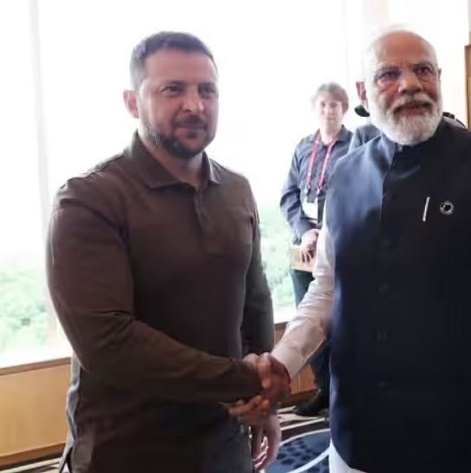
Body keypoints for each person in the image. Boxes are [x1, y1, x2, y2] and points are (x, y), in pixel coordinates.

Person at [233, 28, 471, 473]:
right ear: (363, 92)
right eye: (389, 74)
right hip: (359, 435)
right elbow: (327, 290)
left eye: (423, 70)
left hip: (468, 435)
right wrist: (283, 361)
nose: (410, 84)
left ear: (439, 78)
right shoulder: (345, 174)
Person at [45, 31, 289, 473]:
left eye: (207, 91)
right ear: (132, 102)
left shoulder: (236, 189)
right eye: (173, 89)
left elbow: (254, 301)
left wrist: (263, 400)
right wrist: (244, 379)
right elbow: (109, 342)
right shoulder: (89, 199)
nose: (195, 105)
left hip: (224, 442)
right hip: (126, 449)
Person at [279, 82, 352, 416]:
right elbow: (289, 196)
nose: (328, 110)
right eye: (323, 104)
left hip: (337, 246)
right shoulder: (303, 148)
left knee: (338, 321)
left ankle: (345, 391)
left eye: (334, 104)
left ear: (344, 109)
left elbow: (354, 194)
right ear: (315, 109)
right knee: (307, 318)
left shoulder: (355, 147)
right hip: (304, 248)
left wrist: (325, 234)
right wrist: (305, 232)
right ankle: (325, 388)